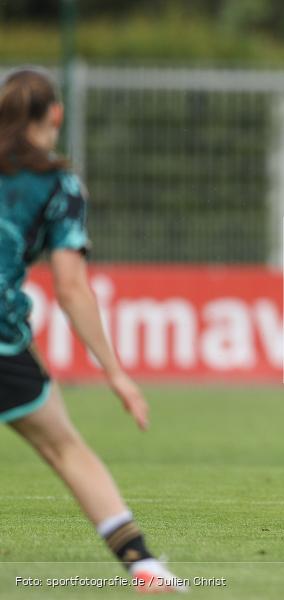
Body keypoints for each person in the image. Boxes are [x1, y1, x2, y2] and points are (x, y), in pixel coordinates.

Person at [0, 68, 184, 593]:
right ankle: (143, 567)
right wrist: (116, 374)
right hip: (3, 339)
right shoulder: (59, 184)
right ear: (54, 115)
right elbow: (71, 288)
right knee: (64, 448)